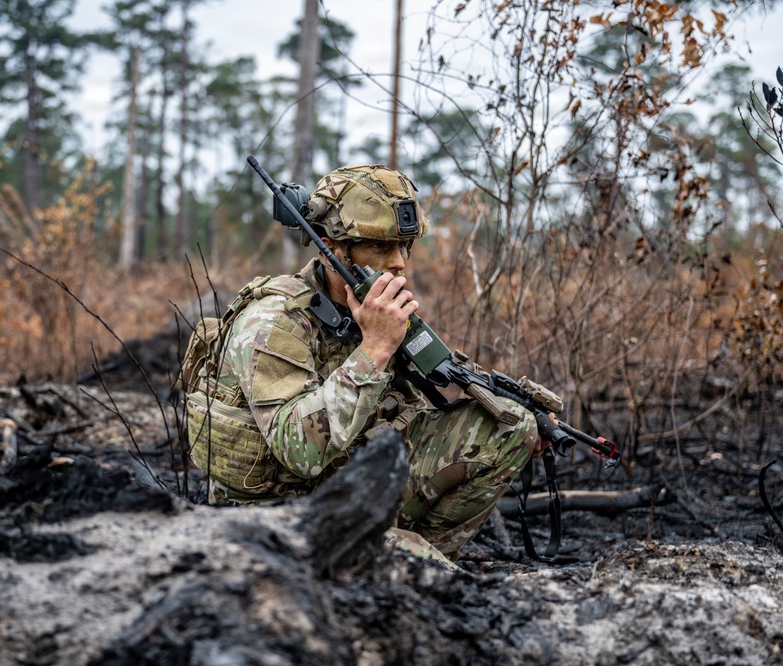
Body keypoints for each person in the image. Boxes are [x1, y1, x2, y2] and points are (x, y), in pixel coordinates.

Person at [186, 164, 543, 561]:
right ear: (331, 247)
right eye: (379, 247)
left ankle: (410, 553)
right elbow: (298, 451)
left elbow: (406, 409)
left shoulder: (367, 306)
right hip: (279, 519)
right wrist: (374, 348)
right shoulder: (274, 321)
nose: (399, 263)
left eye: (404, 246)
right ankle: (397, 562)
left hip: (351, 483)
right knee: (428, 576)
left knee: (509, 427)